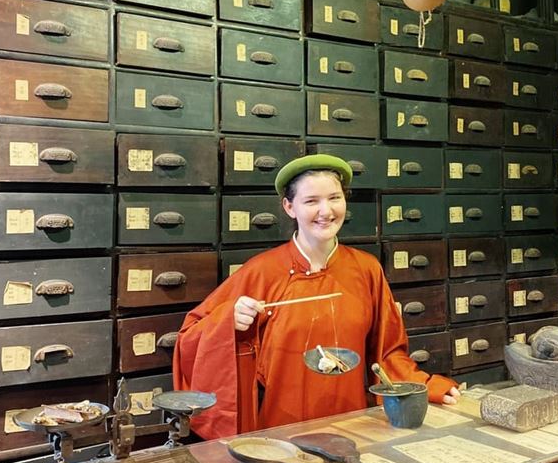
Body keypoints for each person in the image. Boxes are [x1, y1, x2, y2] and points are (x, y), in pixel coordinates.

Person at [173, 154, 460, 439]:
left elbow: (386, 353)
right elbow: (189, 336)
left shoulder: (366, 269)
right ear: (289, 207)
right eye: (311, 201)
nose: (326, 211)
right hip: (281, 432)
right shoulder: (262, 271)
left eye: (334, 198)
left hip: (355, 426)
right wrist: (228, 321)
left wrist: (424, 386)